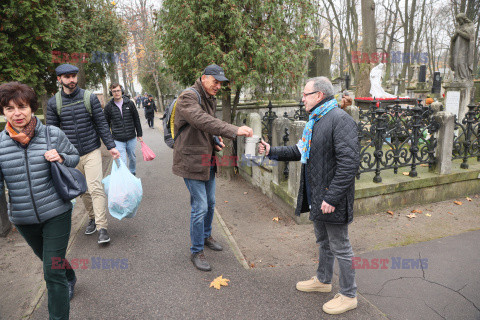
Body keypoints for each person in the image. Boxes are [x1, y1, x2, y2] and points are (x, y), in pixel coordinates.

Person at [259, 76, 360, 315]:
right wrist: (272, 150)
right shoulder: (315, 121)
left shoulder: (339, 120)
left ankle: (349, 294)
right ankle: (323, 281)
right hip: (318, 196)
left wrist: (332, 198)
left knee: (341, 247)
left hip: (331, 199)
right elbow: (300, 150)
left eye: (305, 94)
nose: (301, 98)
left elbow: (350, 163)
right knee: (324, 242)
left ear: (319, 96)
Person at [0, 82, 80, 319]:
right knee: (52, 261)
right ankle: (70, 275)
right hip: (24, 219)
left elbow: (74, 156)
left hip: (57, 212)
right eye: (9, 108)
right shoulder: (0, 144)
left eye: (22, 106)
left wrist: (62, 157)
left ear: (32, 108)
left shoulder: (51, 134)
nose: (17, 113)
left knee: (51, 272)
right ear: (3, 112)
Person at [173, 64, 253, 271]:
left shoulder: (208, 97)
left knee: (210, 201)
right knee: (199, 206)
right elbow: (201, 120)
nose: (218, 86)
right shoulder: (188, 97)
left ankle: (206, 236)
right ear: (203, 78)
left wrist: (215, 139)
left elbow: (206, 126)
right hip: (190, 160)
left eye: (221, 83)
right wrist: (233, 129)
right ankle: (196, 250)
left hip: (206, 157)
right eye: (215, 81)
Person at [47, 64, 120, 244]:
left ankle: (102, 228)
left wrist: (110, 146)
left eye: (74, 76)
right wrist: (54, 154)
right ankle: (93, 218)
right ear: (59, 79)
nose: (72, 80)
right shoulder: (53, 103)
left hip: (91, 150)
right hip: (70, 155)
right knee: (83, 190)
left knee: (95, 187)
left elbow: (101, 123)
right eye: (67, 77)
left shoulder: (89, 98)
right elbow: (52, 132)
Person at [104, 84, 143, 175]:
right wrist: (109, 140)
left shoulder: (130, 103)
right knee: (122, 161)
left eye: (118, 90)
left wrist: (139, 134)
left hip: (131, 137)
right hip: (118, 139)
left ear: (122, 91)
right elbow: (105, 125)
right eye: (114, 91)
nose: (116, 93)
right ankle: (126, 177)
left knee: (132, 157)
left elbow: (136, 119)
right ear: (111, 92)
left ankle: (132, 172)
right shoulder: (108, 107)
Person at [449, 13, 475, 81]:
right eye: (457, 20)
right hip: (457, 48)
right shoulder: (459, 27)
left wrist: (459, 32)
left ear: (463, 19)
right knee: (456, 63)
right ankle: (457, 77)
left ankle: (464, 77)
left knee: (461, 62)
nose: (459, 22)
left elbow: (470, 37)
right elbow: (453, 39)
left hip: (464, 48)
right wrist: (456, 34)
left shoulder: (469, 26)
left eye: (459, 20)